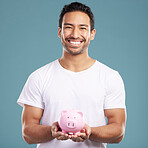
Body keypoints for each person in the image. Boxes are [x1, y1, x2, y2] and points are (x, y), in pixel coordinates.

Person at [17, 2, 126, 148]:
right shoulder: (39, 77)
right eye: (68, 27)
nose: (75, 34)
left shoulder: (110, 77)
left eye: (82, 28)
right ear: (59, 32)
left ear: (92, 34)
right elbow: (27, 133)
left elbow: (118, 131)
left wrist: (90, 132)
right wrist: (52, 130)